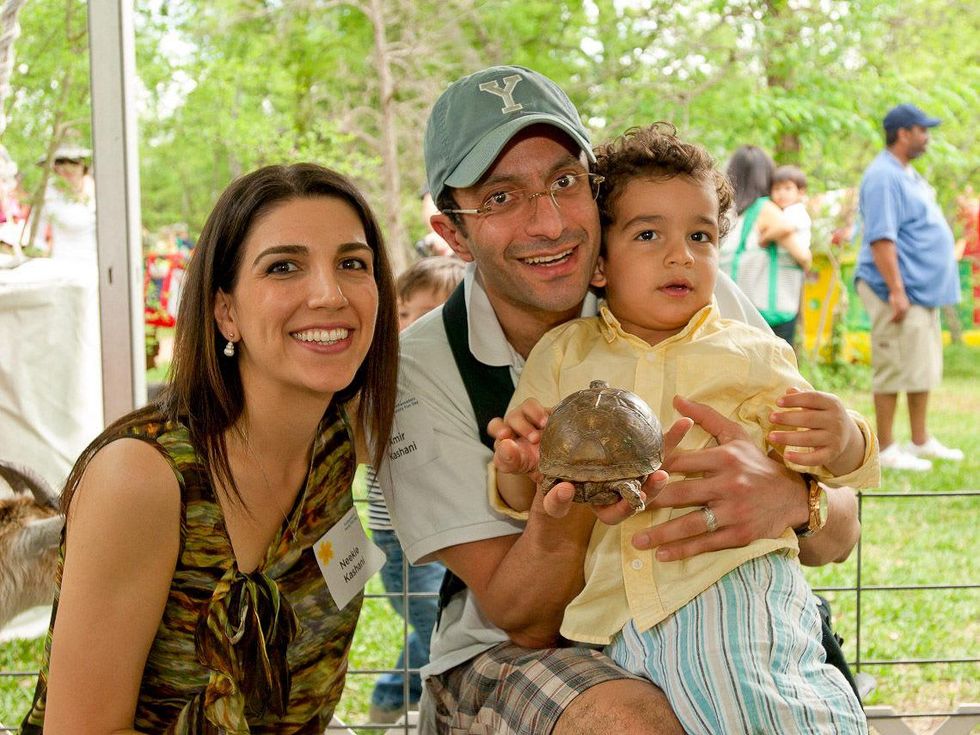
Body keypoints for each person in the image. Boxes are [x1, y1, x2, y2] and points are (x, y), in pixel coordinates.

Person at [376, 65, 862, 735]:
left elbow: (840, 531)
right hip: (518, 645)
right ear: (453, 232)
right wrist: (565, 486)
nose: (547, 222)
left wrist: (794, 497)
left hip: (712, 610)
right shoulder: (422, 372)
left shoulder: (689, 292)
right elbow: (524, 615)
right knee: (634, 723)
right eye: (500, 197)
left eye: (564, 182)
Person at [490, 123, 876, 733]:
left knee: (761, 707)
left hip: (732, 587)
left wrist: (845, 436)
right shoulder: (563, 355)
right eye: (649, 234)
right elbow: (526, 494)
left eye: (700, 236)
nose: (682, 255)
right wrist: (520, 469)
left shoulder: (751, 353)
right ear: (599, 266)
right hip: (615, 622)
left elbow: (825, 458)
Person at [21, 163, 399, 733]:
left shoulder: (336, 443)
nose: (329, 293)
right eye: (284, 267)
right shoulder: (145, 478)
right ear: (226, 311)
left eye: (352, 264)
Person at [366, 255, 464, 723]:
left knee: (438, 625)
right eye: (404, 314)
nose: (410, 328)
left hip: (450, 534)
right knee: (436, 629)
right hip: (403, 542)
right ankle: (403, 707)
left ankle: (390, 699)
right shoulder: (385, 377)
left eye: (427, 315)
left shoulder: (457, 381)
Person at [854, 103, 963, 472]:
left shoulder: (907, 174)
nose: (927, 137)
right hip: (895, 289)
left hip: (920, 290)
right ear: (903, 133)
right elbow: (881, 237)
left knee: (920, 366)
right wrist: (896, 289)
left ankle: (920, 440)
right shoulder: (883, 176)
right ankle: (885, 447)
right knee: (894, 364)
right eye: (923, 130)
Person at [723, 145, 812, 346]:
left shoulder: (725, 213)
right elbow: (803, 256)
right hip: (769, 314)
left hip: (731, 314)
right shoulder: (766, 209)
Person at [35, 145, 97, 267]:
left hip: (95, 266)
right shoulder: (47, 193)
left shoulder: (98, 191)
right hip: (61, 266)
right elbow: (37, 237)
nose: (68, 168)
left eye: (74, 162)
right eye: (61, 162)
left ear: (83, 166)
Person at [772, 164, 813, 254]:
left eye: (788, 188)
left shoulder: (796, 210)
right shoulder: (783, 210)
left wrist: (765, 237)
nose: (781, 193)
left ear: (800, 192)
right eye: (776, 188)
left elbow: (785, 228)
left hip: (795, 260)